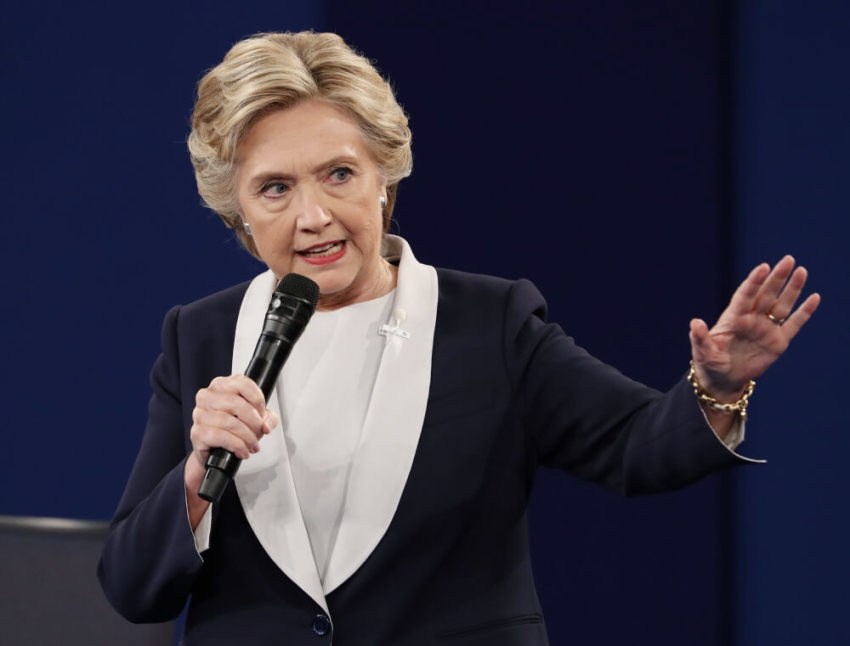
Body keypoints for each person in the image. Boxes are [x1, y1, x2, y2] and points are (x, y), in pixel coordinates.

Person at [97, 31, 820, 645]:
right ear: (239, 212)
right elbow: (132, 586)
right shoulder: (201, 336)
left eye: (339, 174)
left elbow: (637, 446)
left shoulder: (489, 321)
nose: (313, 216)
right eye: (276, 189)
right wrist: (194, 482)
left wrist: (720, 388)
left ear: (384, 177)